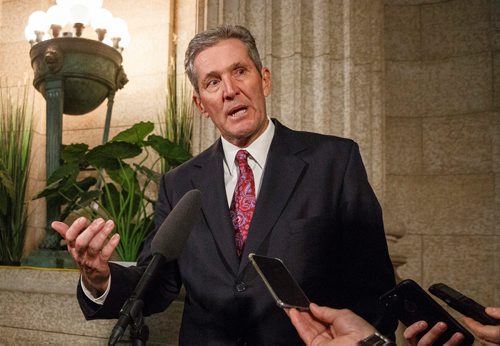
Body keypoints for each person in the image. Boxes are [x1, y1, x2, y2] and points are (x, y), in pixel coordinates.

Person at [52, 24, 397, 344]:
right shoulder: (180, 183)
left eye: (240, 72)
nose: (230, 91)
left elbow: (373, 287)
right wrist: (99, 278)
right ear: (201, 104)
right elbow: (155, 282)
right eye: (213, 82)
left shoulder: (334, 161)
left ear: (264, 80)